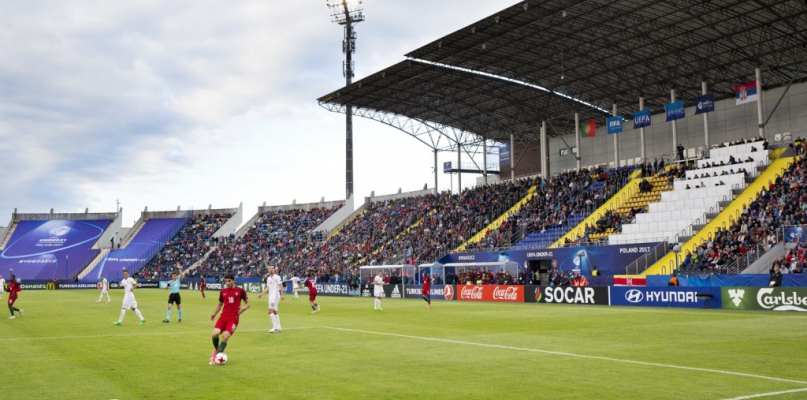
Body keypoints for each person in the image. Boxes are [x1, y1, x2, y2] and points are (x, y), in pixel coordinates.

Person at [210, 273, 250, 365]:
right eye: (226, 281)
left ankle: (218, 355)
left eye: (229, 281)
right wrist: (214, 313)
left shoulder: (241, 291)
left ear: (233, 280)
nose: (227, 283)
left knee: (225, 336)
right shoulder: (223, 291)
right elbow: (220, 304)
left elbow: (248, 304)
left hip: (233, 319)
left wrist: (243, 308)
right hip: (223, 317)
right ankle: (217, 350)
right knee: (215, 334)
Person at [257, 265, 284, 333]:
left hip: (275, 296)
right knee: (275, 311)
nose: (271, 270)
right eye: (269, 269)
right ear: (268, 270)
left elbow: (281, 286)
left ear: (275, 269)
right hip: (271, 296)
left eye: (272, 268)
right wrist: (261, 294)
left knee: (270, 311)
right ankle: (279, 327)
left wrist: (282, 295)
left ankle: (275, 327)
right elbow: (268, 288)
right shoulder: (268, 278)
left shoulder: (277, 277)